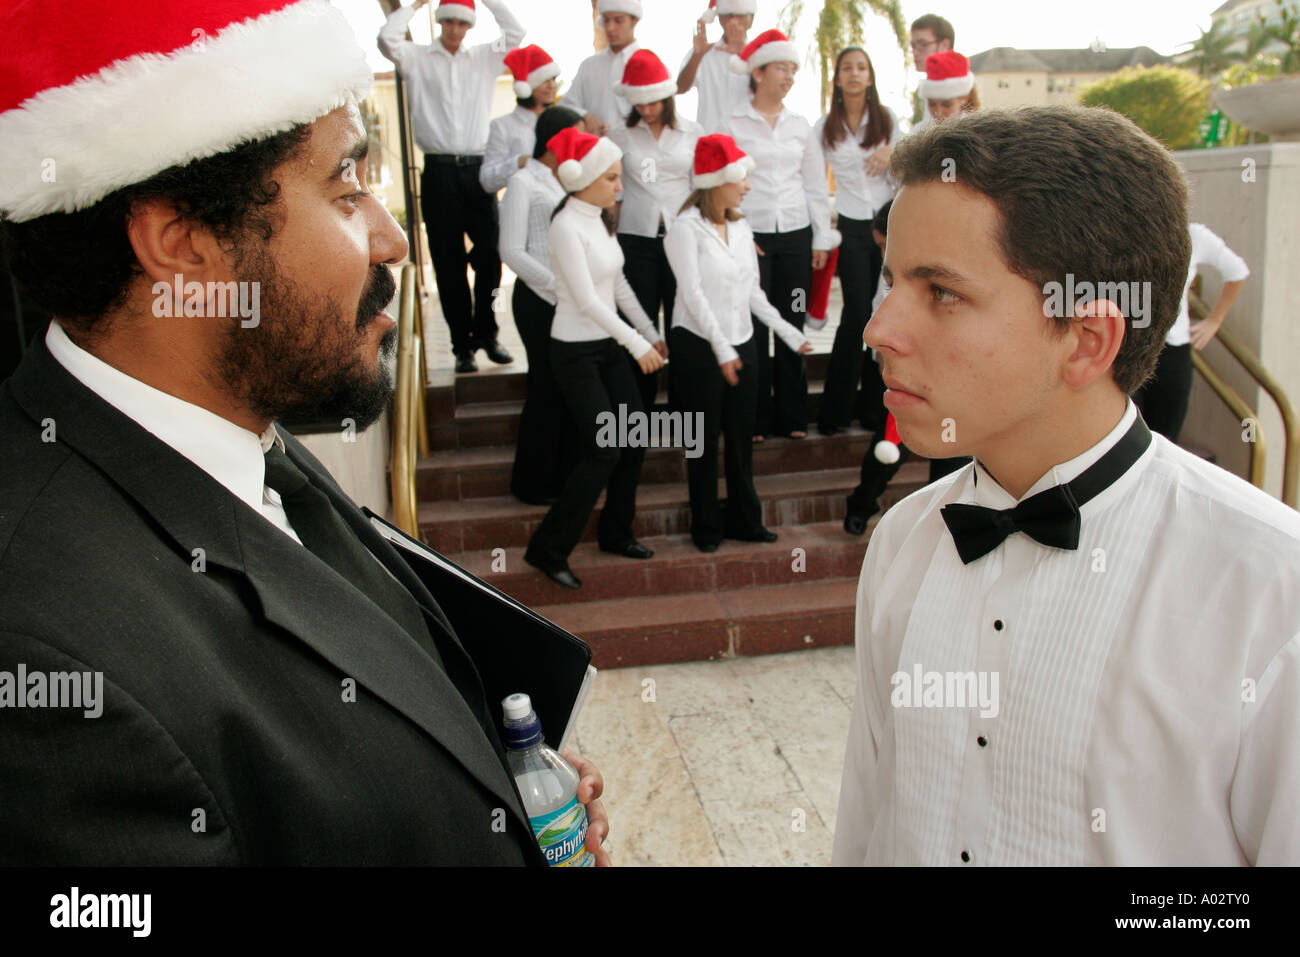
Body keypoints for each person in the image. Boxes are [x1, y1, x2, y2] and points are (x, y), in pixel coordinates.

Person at [0, 0, 608, 865]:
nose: (393, 239)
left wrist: (498, 791)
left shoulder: (235, 427)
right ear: (182, 244)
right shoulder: (46, 670)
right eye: (348, 187)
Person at [832, 105, 1300, 866]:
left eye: (941, 291)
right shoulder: (903, 542)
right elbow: (866, 822)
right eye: (892, 284)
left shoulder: (1272, 591)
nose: (878, 329)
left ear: (1087, 340)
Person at [523, 129, 666, 590]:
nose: (619, 186)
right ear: (580, 179)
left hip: (607, 346)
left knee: (634, 434)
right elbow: (586, 300)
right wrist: (636, 345)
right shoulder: (566, 225)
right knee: (605, 446)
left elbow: (617, 284)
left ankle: (616, 532)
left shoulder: (601, 218)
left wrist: (650, 333)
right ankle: (547, 548)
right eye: (610, 178)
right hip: (574, 351)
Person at [665, 135, 812, 552]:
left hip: (742, 342)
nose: (748, 185)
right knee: (703, 441)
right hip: (698, 345)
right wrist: (722, 350)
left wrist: (788, 332)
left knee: (742, 437)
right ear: (717, 182)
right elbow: (692, 296)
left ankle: (746, 520)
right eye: (742, 177)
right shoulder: (684, 228)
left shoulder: (742, 226)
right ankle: (706, 526)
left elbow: (752, 293)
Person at [378, 0, 521, 374]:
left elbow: (516, 33)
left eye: (462, 22)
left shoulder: (485, 58)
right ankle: (463, 347)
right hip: (439, 172)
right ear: (441, 23)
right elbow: (386, 38)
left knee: (490, 254)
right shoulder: (417, 57)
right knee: (448, 263)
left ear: (470, 25)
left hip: (478, 171)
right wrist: (415, 6)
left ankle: (487, 334)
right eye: (449, 22)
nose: (455, 29)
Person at [721, 29, 837, 442]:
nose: (789, 76)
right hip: (748, 239)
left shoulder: (800, 125)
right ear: (758, 73)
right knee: (753, 326)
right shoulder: (731, 123)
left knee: (792, 320)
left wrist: (821, 238)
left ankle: (792, 416)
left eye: (793, 69)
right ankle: (753, 418)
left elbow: (813, 185)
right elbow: (722, 184)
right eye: (782, 68)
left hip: (795, 238)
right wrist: (735, 230)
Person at [500, 107, 586, 506]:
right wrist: (558, 287)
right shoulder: (523, 181)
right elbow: (512, 251)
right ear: (557, 139)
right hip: (538, 300)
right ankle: (533, 484)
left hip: (570, 302)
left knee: (569, 389)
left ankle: (565, 478)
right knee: (545, 388)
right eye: (578, 137)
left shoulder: (570, 181)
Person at [610, 49, 703, 414]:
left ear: (666, 97)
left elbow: (702, 187)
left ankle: (683, 408)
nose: (647, 110)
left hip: (681, 239)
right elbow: (613, 190)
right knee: (641, 320)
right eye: (640, 103)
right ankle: (639, 408)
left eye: (652, 102)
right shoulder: (620, 134)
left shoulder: (693, 132)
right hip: (636, 239)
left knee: (682, 321)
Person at [815, 47, 898, 438]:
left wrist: (893, 154)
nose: (854, 73)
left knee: (884, 309)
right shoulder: (824, 127)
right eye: (846, 67)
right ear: (837, 78)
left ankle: (874, 410)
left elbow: (905, 176)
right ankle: (834, 413)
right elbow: (814, 182)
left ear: (870, 77)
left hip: (887, 227)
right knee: (855, 314)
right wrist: (820, 232)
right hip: (849, 227)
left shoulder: (887, 121)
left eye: (861, 67)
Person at [916, 49, 978, 482]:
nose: (939, 113)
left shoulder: (988, 144)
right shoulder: (918, 144)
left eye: (948, 104)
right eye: (933, 104)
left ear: (966, 100)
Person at [1133, 223, 1249, 441]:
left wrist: (1215, 320)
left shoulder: (1194, 235)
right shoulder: (1132, 231)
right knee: (1128, 438)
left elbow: (1237, 270)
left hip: (1173, 352)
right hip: (1131, 348)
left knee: (1167, 439)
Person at [843, 199, 910, 536]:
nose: (882, 252)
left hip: (953, 377)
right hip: (908, 374)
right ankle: (861, 503)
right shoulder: (891, 277)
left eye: (885, 244)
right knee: (888, 450)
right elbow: (878, 324)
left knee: (953, 459)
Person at [478, 44, 562, 195]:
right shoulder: (502, 126)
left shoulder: (560, 120)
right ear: (526, 86)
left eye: (553, 79)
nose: (552, 85)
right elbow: (487, 180)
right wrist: (519, 162)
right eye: (545, 80)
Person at [676, 0, 756, 134]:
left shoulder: (761, 55)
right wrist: (697, 55)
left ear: (751, 19)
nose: (733, 19)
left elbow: (771, 93)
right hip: (710, 142)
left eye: (740, 14)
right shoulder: (704, 52)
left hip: (749, 143)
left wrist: (744, 54)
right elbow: (680, 88)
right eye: (728, 14)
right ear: (718, 17)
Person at [564, 0, 642, 136]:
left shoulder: (647, 63)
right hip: (595, 151)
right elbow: (566, 106)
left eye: (618, 21)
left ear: (634, 21)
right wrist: (585, 116)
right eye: (606, 21)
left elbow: (661, 115)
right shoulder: (589, 65)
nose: (610, 28)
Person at [907, 13, 955, 133]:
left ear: (944, 45)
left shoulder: (960, 90)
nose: (915, 52)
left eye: (923, 44)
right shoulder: (926, 87)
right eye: (913, 46)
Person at [921, 50, 979, 125]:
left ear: (965, 98)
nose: (939, 113)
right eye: (932, 104)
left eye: (946, 105)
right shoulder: (918, 131)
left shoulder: (976, 131)